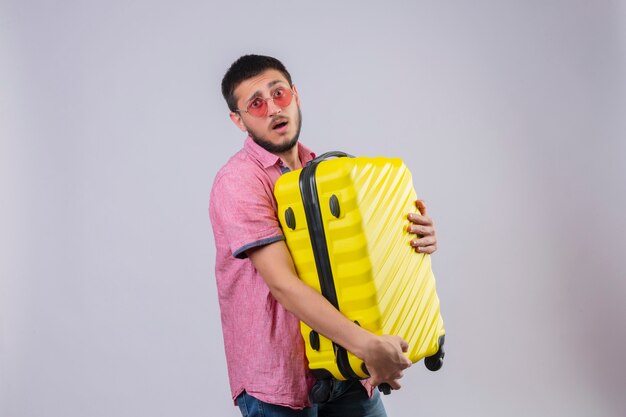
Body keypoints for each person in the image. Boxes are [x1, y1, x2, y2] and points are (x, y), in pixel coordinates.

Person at [209, 54, 438, 417]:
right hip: (280, 381)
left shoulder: (324, 172)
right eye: (256, 103)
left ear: (295, 96)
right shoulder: (239, 181)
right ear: (239, 120)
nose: (272, 108)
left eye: (279, 94)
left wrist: (414, 239)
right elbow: (282, 283)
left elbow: (359, 256)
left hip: (344, 362)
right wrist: (368, 345)